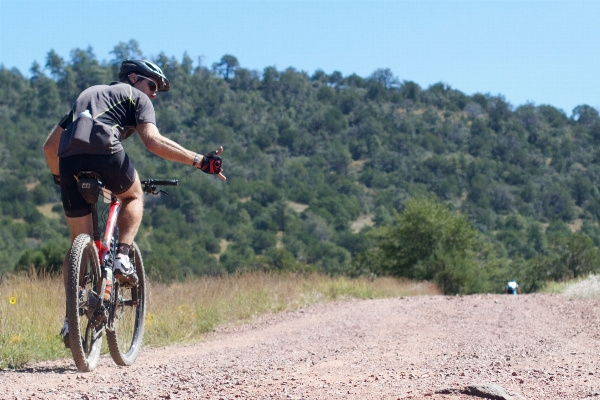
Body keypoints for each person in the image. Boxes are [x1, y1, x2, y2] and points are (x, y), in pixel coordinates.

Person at [43, 59, 225, 345]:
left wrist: (60, 178)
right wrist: (201, 161)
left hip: (68, 159)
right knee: (132, 195)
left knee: (78, 240)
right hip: (105, 148)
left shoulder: (88, 95)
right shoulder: (134, 97)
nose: (154, 94)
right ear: (132, 78)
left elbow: (50, 146)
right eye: (152, 85)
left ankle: (70, 319)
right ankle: (122, 256)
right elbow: (152, 141)